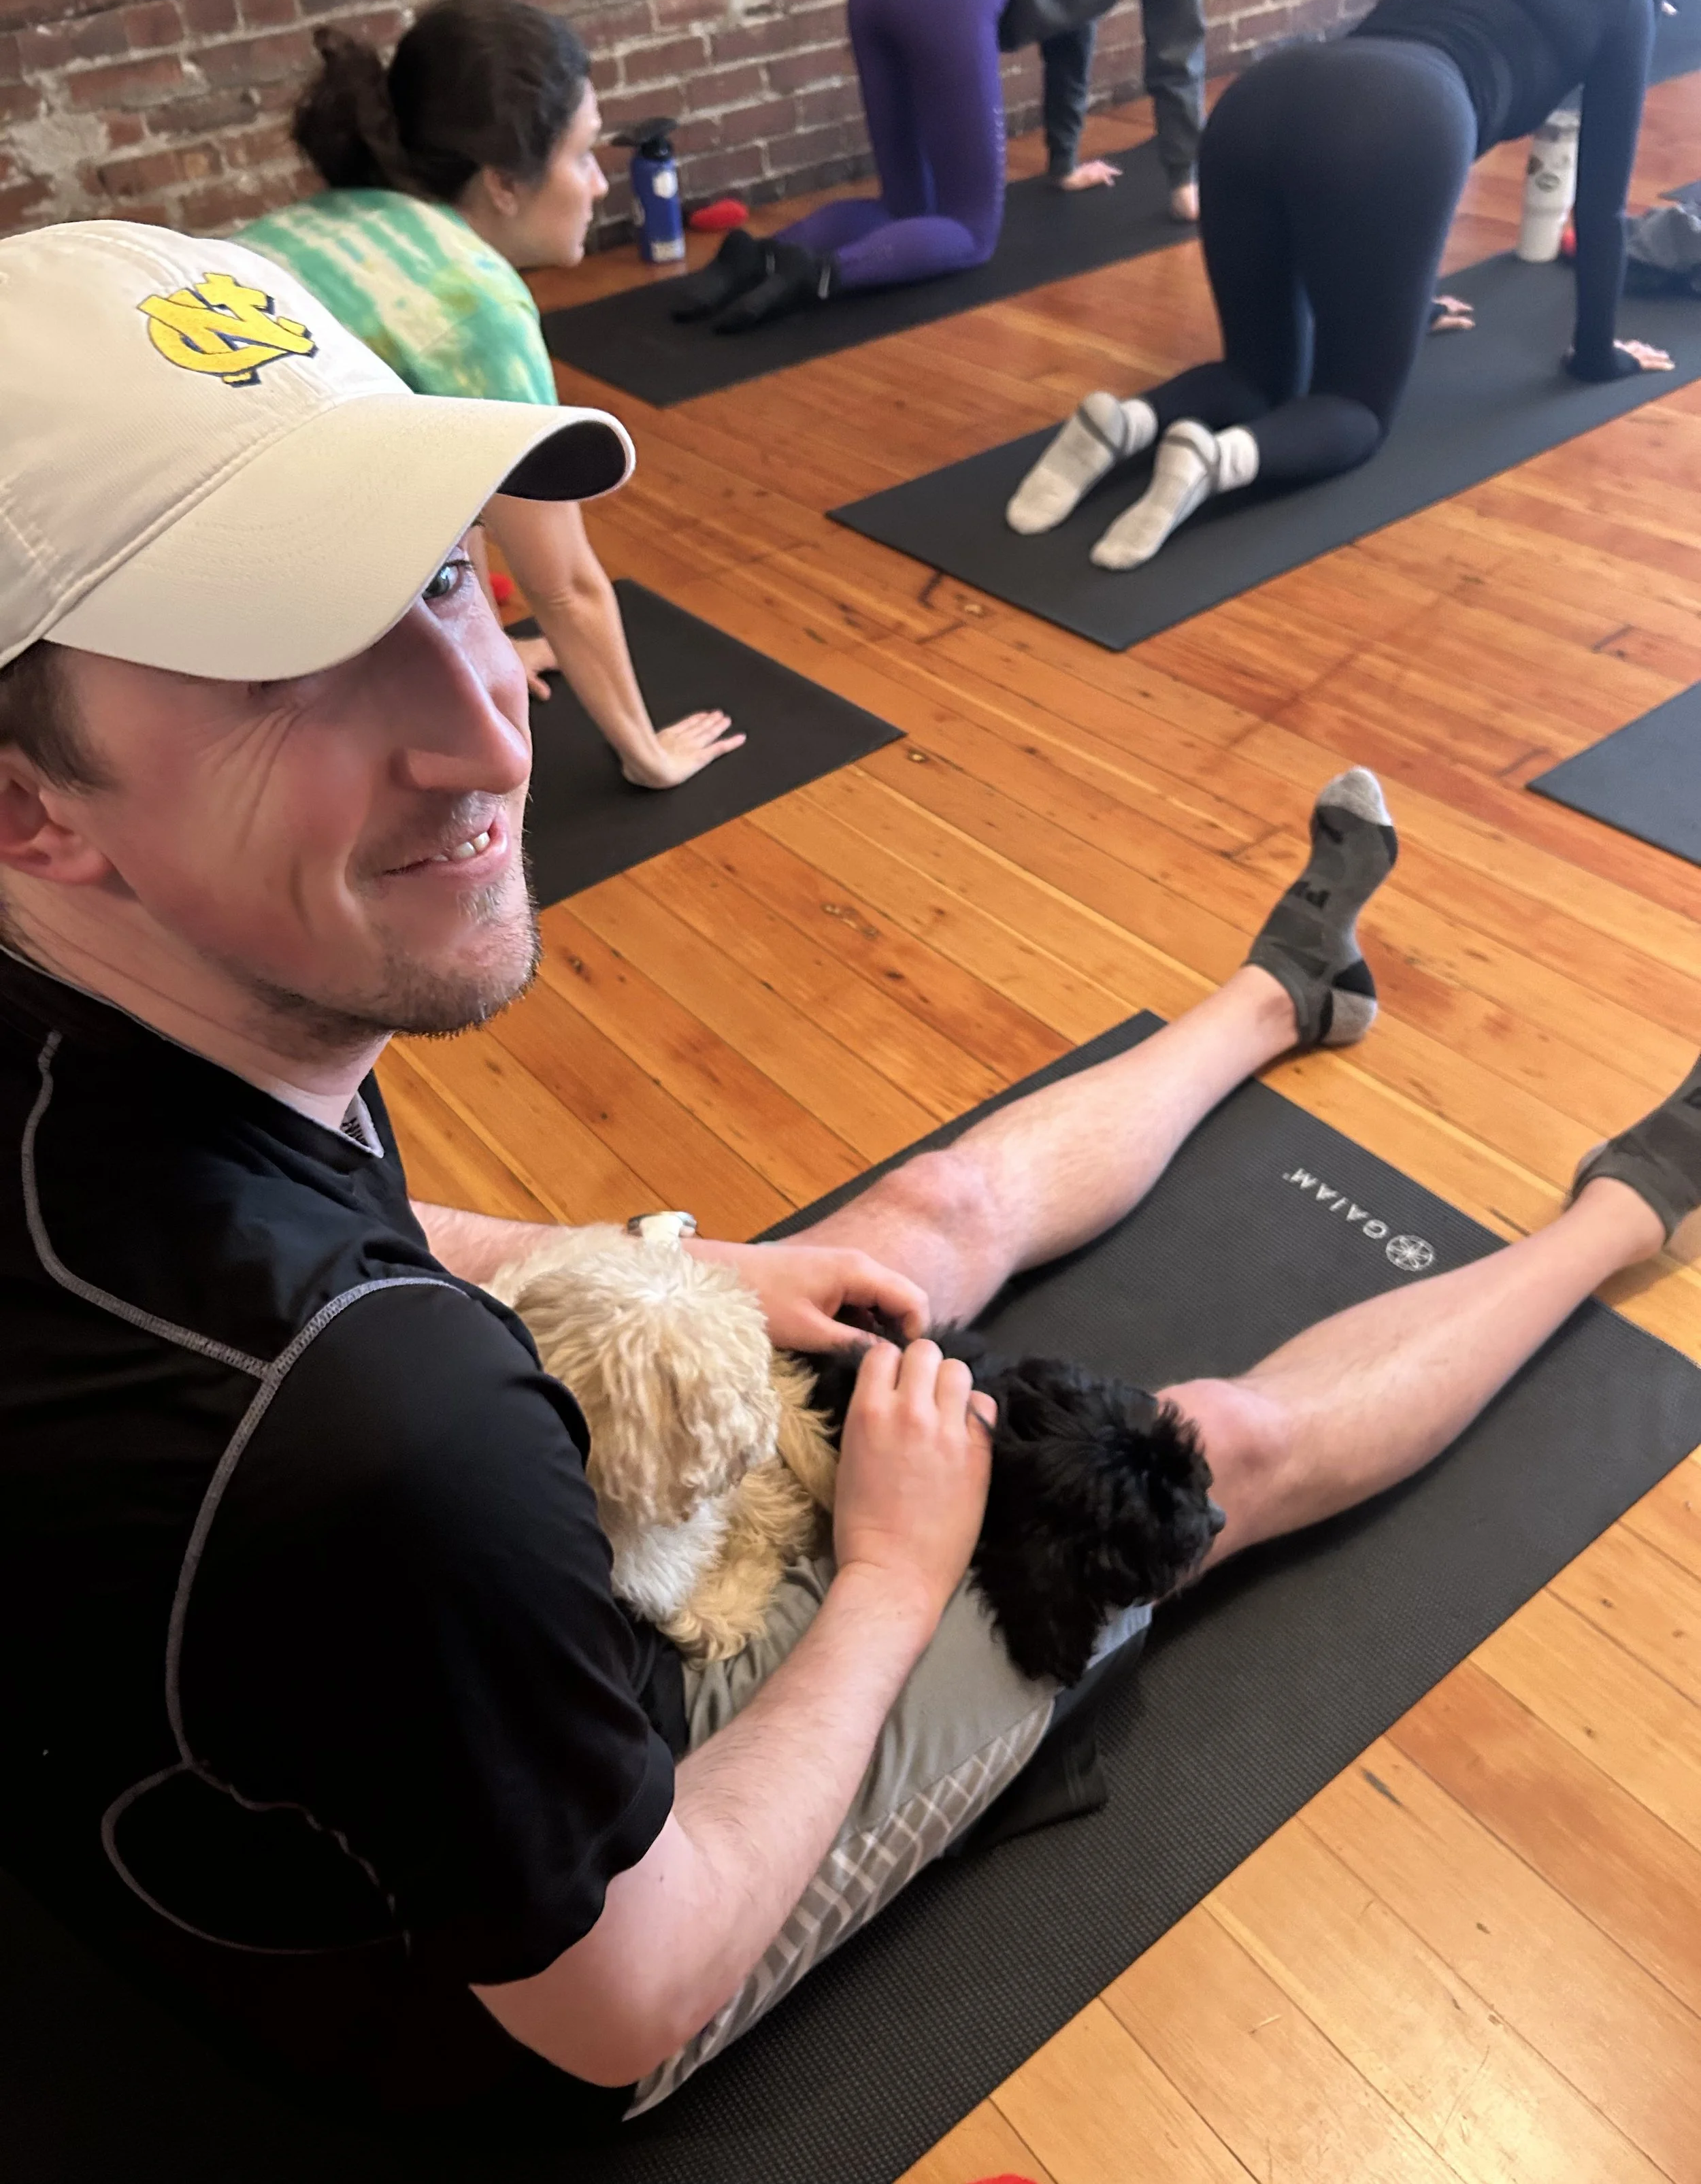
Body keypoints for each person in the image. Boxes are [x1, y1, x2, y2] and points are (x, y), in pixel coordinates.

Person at [5, 217, 1700, 2132]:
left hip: (306, 1652)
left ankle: (1281, 990)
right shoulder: (374, 1434)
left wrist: (675, 1259)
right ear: (27, 800)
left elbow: (319, 1263)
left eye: (448, 575)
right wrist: (893, 1573)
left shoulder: (129, 1042)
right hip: (501, 1989)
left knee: (905, 1240)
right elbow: (620, 1997)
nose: (492, 721)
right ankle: (1619, 1210)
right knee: (1179, 1458)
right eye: (284, 662)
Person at [1006, 0, 1675, 569]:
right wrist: (1595, 355)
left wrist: (1395, 299)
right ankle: (1215, 460)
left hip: (1264, 97)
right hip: (1399, 118)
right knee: (1352, 406)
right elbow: (1600, 208)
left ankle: (1123, 423)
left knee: (1253, 375)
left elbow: (1348, 138)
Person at [242, 0, 744, 791]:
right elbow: (563, 583)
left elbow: (455, 478)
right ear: (504, 181)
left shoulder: (338, 222)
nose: (599, 186)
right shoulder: (466, 300)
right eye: (581, 156)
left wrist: (490, 641)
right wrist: (648, 754)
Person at [677, 0, 1210, 332]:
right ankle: (816, 276)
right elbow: (1176, 33)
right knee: (971, 231)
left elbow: (1071, 16)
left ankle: (756, 255)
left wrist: (1063, 159)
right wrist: (1185, 177)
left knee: (905, 207)